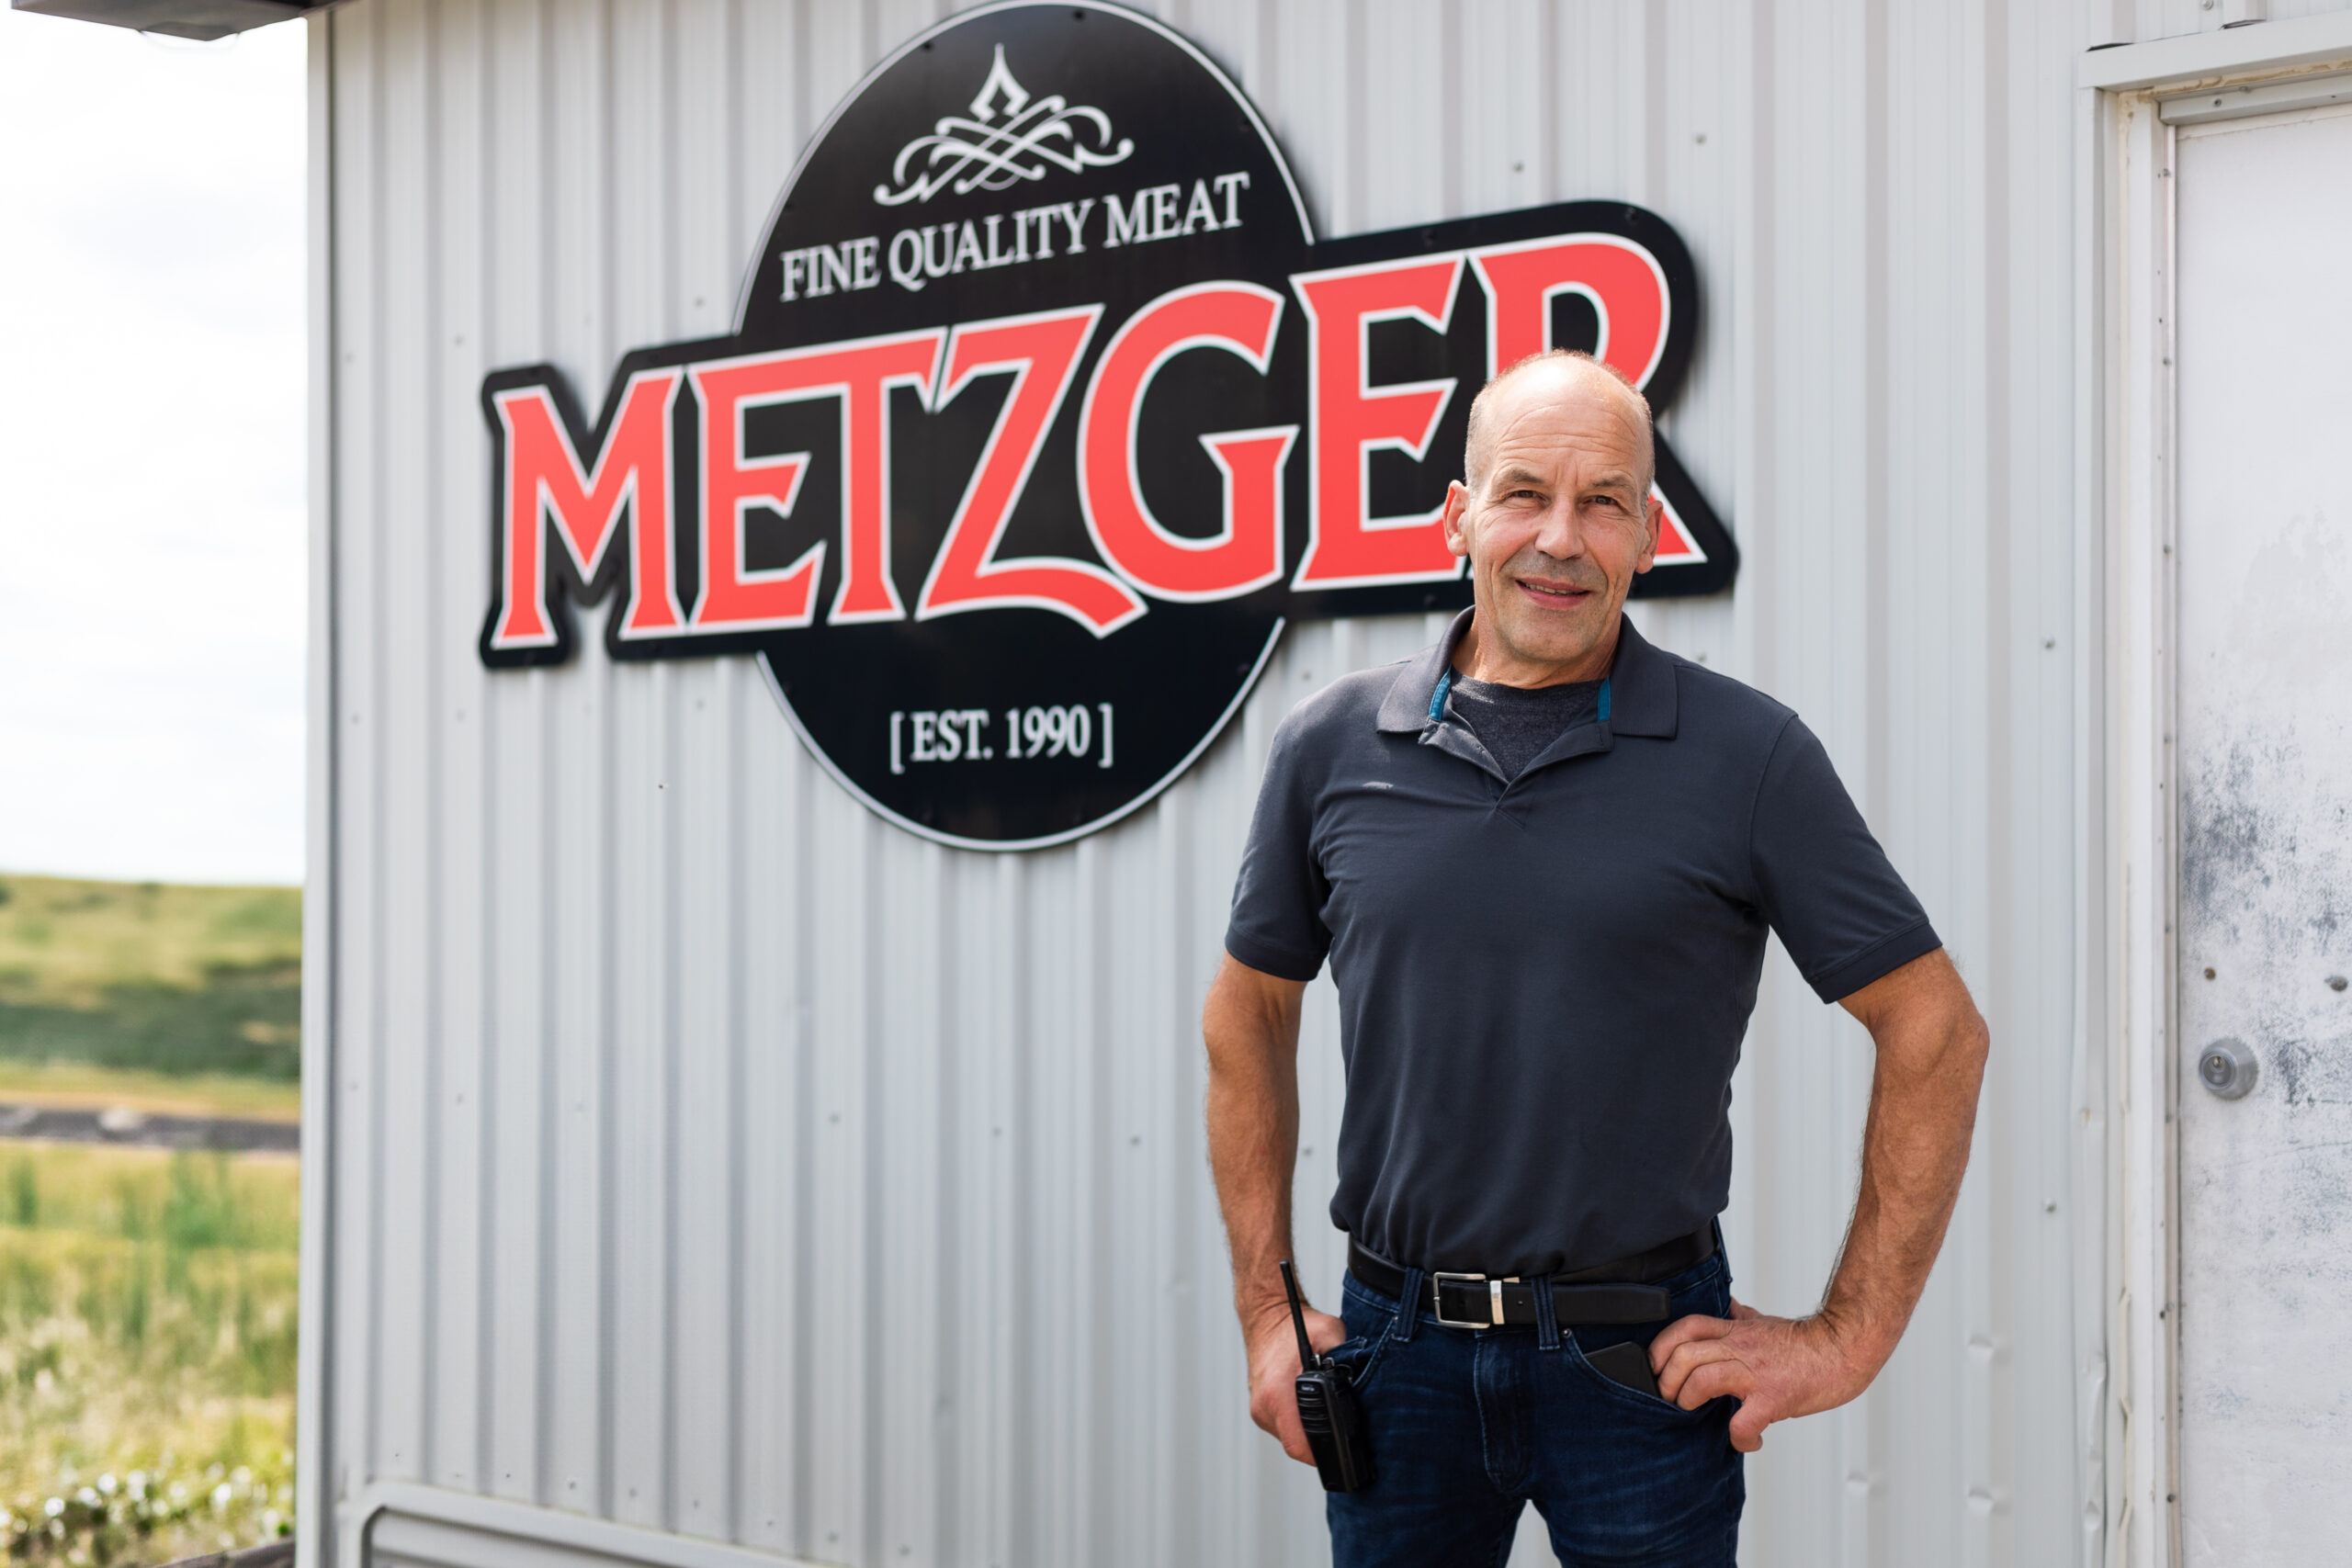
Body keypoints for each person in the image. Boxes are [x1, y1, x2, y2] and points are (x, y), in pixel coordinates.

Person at [1202, 350, 1990, 1566]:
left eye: (1603, 501)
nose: (1559, 538)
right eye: (1524, 493)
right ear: (1459, 515)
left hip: (1640, 1364)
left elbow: (1936, 1027)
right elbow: (1248, 1016)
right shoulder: (1329, 746)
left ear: (1648, 532)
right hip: (1392, 1353)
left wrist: (1846, 1338)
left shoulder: (1748, 757)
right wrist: (1268, 1313)